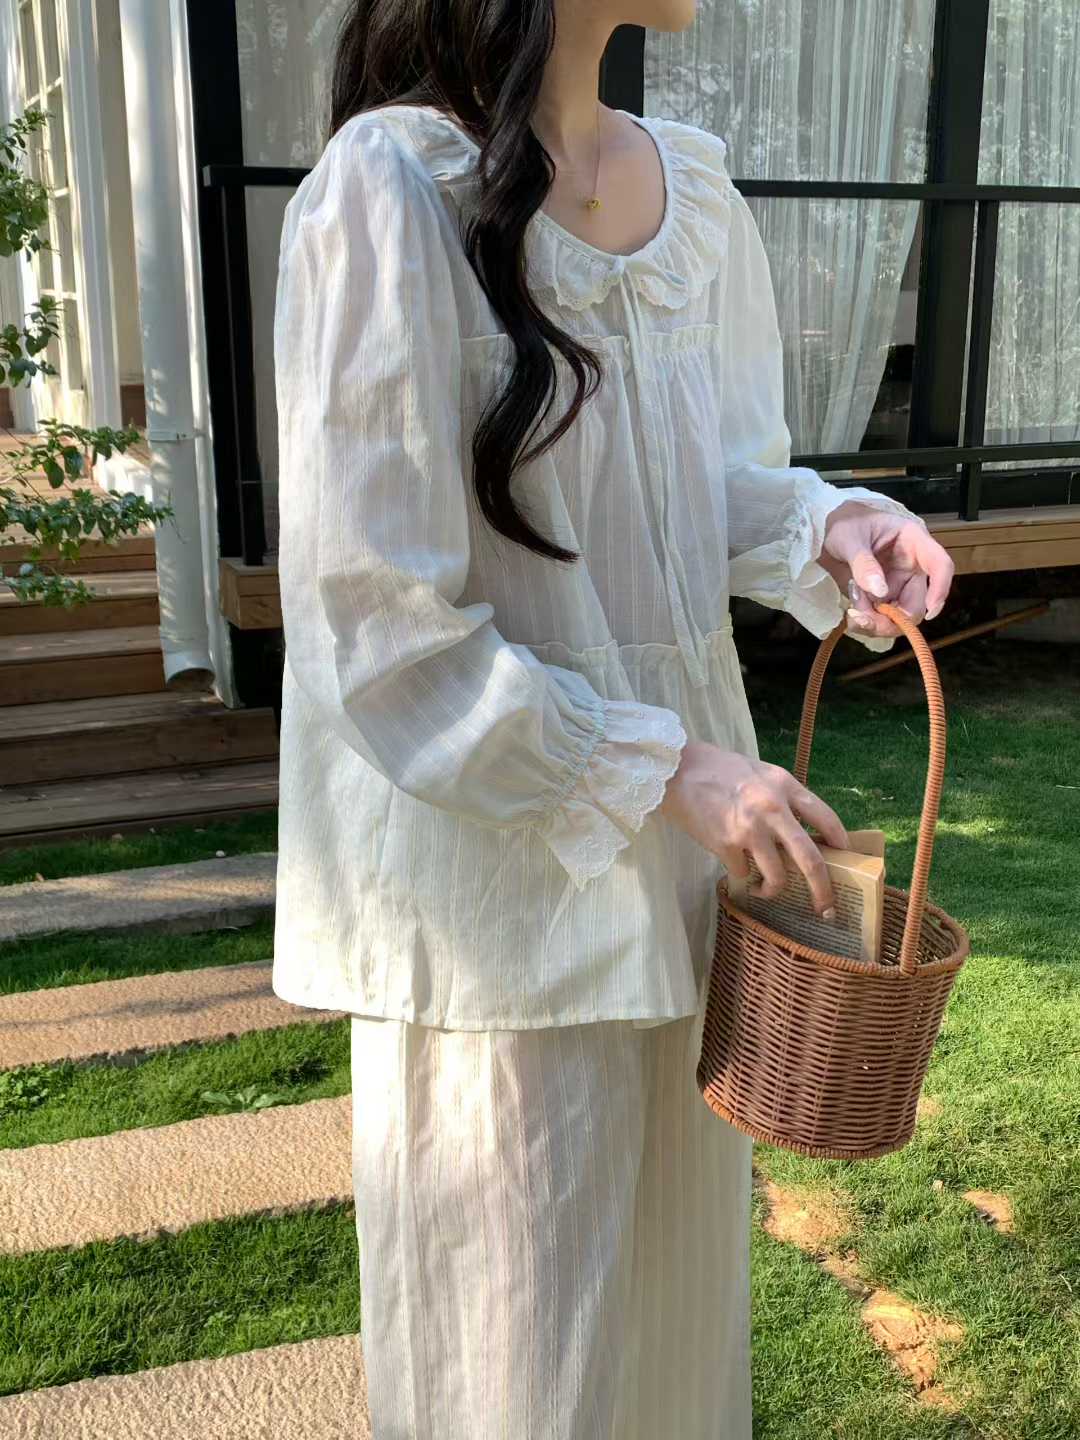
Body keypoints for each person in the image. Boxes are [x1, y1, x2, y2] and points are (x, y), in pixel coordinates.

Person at [271, 2, 955, 1435]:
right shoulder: (392, 189)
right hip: (505, 898)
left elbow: (703, 485)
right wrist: (659, 769)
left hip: (689, 882)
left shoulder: (690, 189)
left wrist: (828, 526)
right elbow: (375, 623)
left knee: (669, 1353)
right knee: (526, 1374)